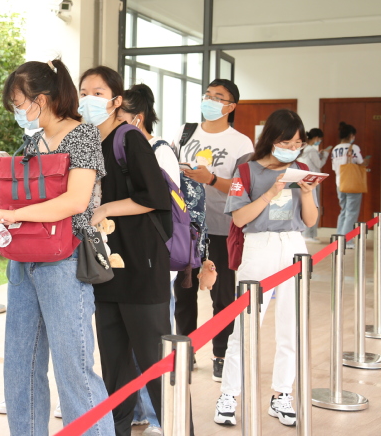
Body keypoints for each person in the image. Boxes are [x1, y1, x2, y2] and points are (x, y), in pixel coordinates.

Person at [0, 60, 115, 436]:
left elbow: (75, 200)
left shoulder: (82, 135)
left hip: (65, 260)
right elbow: (29, 188)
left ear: (42, 98)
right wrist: (0, 167)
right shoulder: (33, 141)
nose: (17, 110)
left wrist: (10, 214)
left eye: (19, 102)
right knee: (20, 365)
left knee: (74, 370)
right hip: (24, 259)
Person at [78, 67, 175, 436]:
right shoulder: (87, 142)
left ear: (116, 100)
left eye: (98, 92)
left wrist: (105, 208)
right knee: (115, 369)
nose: (88, 99)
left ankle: (178, 427)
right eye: (83, 92)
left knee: (155, 365)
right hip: (105, 270)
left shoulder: (128, 138)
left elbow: (155, 197)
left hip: (142, 267)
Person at [115, 84, 216, 434]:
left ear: (136, 118)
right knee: (133, 346)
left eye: (119, 114)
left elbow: (165, 207)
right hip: (128, 258)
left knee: (155, 345)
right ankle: (139, 412)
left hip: (154, 257)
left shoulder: (158, 151)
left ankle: (167, 421)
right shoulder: (120, 148)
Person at [214, 109, 318, 427]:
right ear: (272, 139)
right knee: (245, 326)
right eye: (287, 142)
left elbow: (310, 220)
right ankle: (229, 395)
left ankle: (282, 393)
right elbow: (239, 218)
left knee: (292, 326)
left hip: (294, 246)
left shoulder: (302, 170)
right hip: (259, 247)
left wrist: (307, 194)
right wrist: (270, 194)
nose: (293, 148)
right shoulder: (247, 171)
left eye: (298, 143)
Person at [171, 79, 253, 382]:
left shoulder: (241, 143)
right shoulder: (185, 132)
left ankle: (221, 354)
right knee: (184, 291)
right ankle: (185, 350)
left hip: (221, 227)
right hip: (186, 226)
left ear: (231, 106)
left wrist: (211, 179)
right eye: (208, 95)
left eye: (218, 97)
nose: (210, 101)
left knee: (222, 295)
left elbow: (244, 189)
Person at [331, 122, 369, 249]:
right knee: (351, 212)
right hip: (352, 183)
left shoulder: (335, 149)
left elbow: (334, 167)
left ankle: (339, 238)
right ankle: (347, 241)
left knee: (343, 211)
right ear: (351, 135)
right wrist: (366, 162)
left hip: (339, 183)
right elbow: (360, 162)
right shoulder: (354, 148)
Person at [299, 128, 331, 242]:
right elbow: (319, 164)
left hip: (304, 179)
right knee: (313, 205)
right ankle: (309, 234)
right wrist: (326, 154)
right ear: (316, 138)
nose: (319, 141)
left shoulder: (303, 148)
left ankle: (306, 233)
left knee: (305, 205)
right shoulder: (311, 150)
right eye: (320, 139)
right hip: (313, 180)